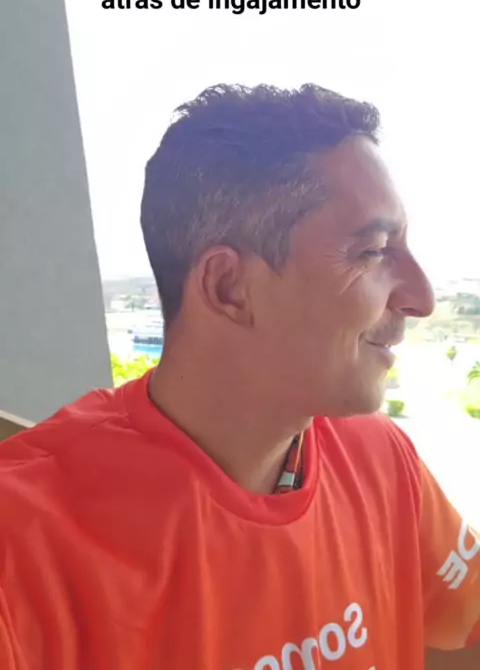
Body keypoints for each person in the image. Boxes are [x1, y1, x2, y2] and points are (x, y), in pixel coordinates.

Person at [0, 84, 479, 670]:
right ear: (229, 288)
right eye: (373, 251)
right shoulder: (23, 546)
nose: (422, 298)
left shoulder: (378, 457)